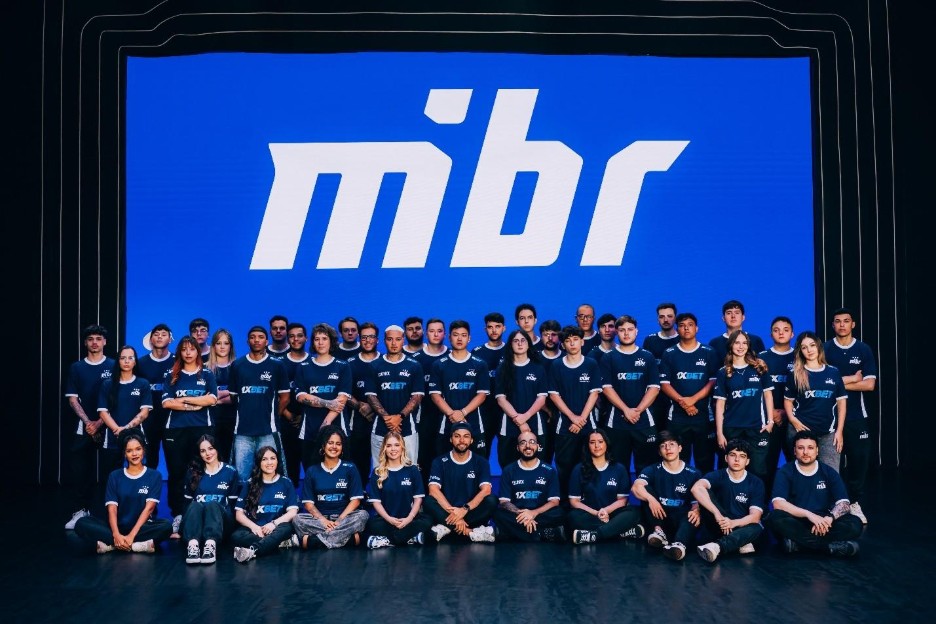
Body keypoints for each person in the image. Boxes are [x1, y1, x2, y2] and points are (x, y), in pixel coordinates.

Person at [767, 431, 862, 556]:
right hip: (797, 521)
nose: (805, 452)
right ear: (794, 451)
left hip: (824, 522)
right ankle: (829, 547)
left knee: (855, 523)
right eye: (801, 448)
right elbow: (778, 504)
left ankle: (799, 545)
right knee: (775, 518)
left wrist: (830, 518)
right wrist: (808, 515)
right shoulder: (785, 471)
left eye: (810, 448)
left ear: (817, 451)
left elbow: (844, 503)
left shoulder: (829, 472)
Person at [74, 432, 172, 554]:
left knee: (166, 526)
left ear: (143, 450)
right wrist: (116, 534)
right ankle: (136, 546)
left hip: (141, 528)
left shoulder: (154, 475)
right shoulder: (115, 476)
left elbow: (149, 509)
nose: (134, 454)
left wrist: (131, 535)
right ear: (125, 454)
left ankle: (112, 546)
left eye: (138, 449)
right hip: (116, 527)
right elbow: (112, 509)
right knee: (81, 523)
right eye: (129, 451)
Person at [823, 307, 878, 524]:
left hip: (856, 416)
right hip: (830, 417)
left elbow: (870, 384)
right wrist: (853, 379)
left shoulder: (863, 349)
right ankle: (833, 503)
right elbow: (820, 381)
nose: (842, 325)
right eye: (838, 321)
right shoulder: (825, 349)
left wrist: (837, 383)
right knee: (830, 465)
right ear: (833, 325)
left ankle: (853, 502)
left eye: (846, 321)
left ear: (853, 324)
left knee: (858, 462)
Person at [161, 335, 219, 537]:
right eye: (184, 349)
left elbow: (212, 399)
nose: (188, 353)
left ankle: (200, 514)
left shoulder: (207, 374)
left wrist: (184, 400)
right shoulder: (171, 375)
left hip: (202, 428)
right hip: (175, 430)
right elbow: (167, 403)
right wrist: (195, 403)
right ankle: (178, 515)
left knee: (201, 472)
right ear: (179, 352)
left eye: (192, 349)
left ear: (197, 351)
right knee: (177, 473)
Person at [64, 324, 115, 529]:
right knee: (81, 471)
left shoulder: (113, 365)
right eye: (91, 339)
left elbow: (116, 398)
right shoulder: (77, 367)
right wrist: (88, 423)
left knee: (110, 472)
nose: (95, 342)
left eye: (98, 338)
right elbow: (72, 399)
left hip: (109, 425)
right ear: (85, 343)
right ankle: (80, 511)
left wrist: (100, 422)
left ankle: (109, 514)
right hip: (84, 426)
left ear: (105, 342)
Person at [599, 315, 661, 475]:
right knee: (617, 467)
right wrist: (626, 410)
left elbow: (654, 388)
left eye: (630, 329)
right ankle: (622, 493)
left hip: (644, 421)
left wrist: (638, 410)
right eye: (622, 330)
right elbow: (606, 388)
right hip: (616, 422)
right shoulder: (609, 357)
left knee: (647, 468)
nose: (626, 333)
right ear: (616, 332)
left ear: (636, 331)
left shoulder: (647, 356)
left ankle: (644, 493)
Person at [228, 326, 290, 484]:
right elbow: (234, 397)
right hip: (242, 432)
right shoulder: (238, 365)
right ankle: (242, 501)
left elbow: (285, 398)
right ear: (247, 341)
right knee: (241, 477)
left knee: (274, 474)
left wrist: (272, 416)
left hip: (268, 431)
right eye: (253, 337)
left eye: (260, 337)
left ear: (266, 341)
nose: (256, 340)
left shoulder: (277, 365)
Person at [659, 312, 719, 474]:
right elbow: (664, 384)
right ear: (677, 329)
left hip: (703, 416)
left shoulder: (709, 352)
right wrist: (684, 402)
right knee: (679, 461)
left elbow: (713, 381)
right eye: (682, 325)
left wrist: (693, 399)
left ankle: (704, 491)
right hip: (677, 418)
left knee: (705, 461)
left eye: (690, 325)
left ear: (697, 328)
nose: (686, 328)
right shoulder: (669, 353)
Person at [548, 326, 603, 501]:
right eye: (568, 340)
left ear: (582, 342)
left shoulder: (591, 364)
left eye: (575, 339)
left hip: (588, 425)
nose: (572, 343)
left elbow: (594, 393)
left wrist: (582, 419)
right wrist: (572, 418)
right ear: (563, 345)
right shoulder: (556, 365)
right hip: (564, 426)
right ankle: (566, 505)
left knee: (589, 465)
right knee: (565, 467)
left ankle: (590, 502)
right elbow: (554, 395)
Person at [292, 426, 369, 549]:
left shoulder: (350, 468)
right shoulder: (312, 471)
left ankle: (315, 542)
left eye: (338, 444)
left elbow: (356, 501)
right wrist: (323, 521)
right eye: (330, 443)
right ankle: (348, 539)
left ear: (342, 447)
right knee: (297, 519)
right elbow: (308, 504)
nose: (334, 447)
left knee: (362, 515)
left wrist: (339, 521)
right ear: (323, 446)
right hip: (320, 520)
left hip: (345, 517)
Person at [712, 330, 774, 481]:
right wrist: (720, 433)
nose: (741, 346)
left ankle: (759, 498)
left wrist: (770, 421)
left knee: (758, 471)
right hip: (732, 428)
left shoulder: (759, 368)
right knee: (730, 471)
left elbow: (768, 395)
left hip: (757, 428)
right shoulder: (723, 372)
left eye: (744, 343)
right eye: (737, 343)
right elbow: (720, 404)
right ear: (730, 345)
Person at [631, 431, 702, 561]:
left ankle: (679, 545)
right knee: (645, 489)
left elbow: (696, 502)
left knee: (693, 514)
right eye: (663, 446)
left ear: (680, 448)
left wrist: (697, 510)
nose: (668, 448)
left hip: (681, 518)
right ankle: (659, 533)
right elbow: (636, 487)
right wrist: (651, 499)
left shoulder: (693, 473)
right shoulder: (652, 469)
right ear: (659, 452)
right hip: (659, 516)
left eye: (672, 444)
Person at [691, 439, 765, 562]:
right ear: (726, 458)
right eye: (733, 455)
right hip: (718, 524)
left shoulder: (756, 482)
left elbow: (755, 516)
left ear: (747, 461)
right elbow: (696, 488)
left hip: (739, 526)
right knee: (705, 490)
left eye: (742, 456)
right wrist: (717, 514)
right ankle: (739, 542)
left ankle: (717, 546)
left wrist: (733, 523)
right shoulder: (717, 475)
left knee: (757, 527)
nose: (737, 459)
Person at [784, 331, 847, 471]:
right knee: (801, 474)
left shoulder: (833, 372)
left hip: (827, 433)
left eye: (812, 345)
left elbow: (842, 403)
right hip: (800, 431)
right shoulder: (795, 374)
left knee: (831, 474)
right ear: (800, 351)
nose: (809, 350)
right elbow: (788, 401)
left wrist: (839, 431)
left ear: (818, 346)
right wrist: (793, 420)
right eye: (804, 347)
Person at [425, 422, 498, 543]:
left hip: (470, 511)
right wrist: (457, 517)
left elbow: (486, 490)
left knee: (492, 500)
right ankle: (471, 532)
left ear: (471, 440)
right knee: (428, 501)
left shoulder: (481, 462)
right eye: (457, 436)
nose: (462, 440)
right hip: (447, 510)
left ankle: (447, 527)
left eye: (466, 436)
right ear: (451, 439)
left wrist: (464, 510)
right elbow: (433, 490)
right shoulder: (439, 461)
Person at [567, 429, 644, 545]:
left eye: (600, 441)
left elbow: (622, 500)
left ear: (606, 444)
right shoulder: (579, 469)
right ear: (587, 446)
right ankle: (619, 531)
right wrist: (596, 513)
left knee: (634, 512)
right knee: (572, 517)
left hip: (613, 514)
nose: (596, 446)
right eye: (592, 442)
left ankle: (594, 535)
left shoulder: (619, 468)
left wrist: (606, 511)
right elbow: (574, 502)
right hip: (590, 514)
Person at [429, 320, 491, 456]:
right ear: (449, 337)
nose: (459, 339)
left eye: (463, 335)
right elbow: (435, 395)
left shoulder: (480, 364)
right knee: (445, 462)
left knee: (477, 462)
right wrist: (452, 414)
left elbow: (482, 395)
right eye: (455, 335)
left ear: (469, 338)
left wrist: (463, 412)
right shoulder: (439, 365)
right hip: (447, 423)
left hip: (474, 423)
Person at [294, 323, 352, 469]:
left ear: (331, 341)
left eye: (324, 338)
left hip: (337, 429)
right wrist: (327, 403)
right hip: (309, 430)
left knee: (339, 471)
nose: (320, 342)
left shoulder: (342, 366)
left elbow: (341, 400)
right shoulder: (303, 367)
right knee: (311, 471)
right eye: (317, 339)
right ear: (312, 342)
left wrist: (325, 427)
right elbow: (301, 396)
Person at [365, 325, 424, 467]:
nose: (393, 343)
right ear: (384, 340)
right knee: (380, 470)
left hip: (407, 428)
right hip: (380, 428)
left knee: (410, 468)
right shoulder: (374, 365)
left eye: (397, 339)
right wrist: (388, 419)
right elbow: (371, 396)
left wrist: (400, 417)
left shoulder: (414, 365)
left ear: (403, 340)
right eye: (390, 339)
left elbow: (417, 396)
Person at [365, 431, 433, 548]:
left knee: (428, 520)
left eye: (397, 445)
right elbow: (376, 502)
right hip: (386, 520)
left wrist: (408, 519)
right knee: (371, 524)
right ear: (384, 449)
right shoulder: (377, 472)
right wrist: (389, 519)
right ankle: (409, 538)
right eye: (389, 446)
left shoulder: (413, 470)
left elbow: (418, 499)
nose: (393, 449)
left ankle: (389, 539)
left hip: (409, 519)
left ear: (402, 448)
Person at [494, 431, 566, 542]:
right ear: (518, 448)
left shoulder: (549, 470)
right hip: (517, 514)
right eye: (523, 443)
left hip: (540, 513)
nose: (528, 446)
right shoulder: (509, 470)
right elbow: (504, 502)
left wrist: (533, 513)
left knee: (559, 513)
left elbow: (554, 502)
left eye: (532, 442)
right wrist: (523, 515)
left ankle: (511, 534)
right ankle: (541, 534)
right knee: (497, 513)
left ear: (538, 446)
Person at [231, 445, 298, 562]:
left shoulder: (286, 482)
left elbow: (293, 512)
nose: (269, 462)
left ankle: (253, 550)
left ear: (277, 461)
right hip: (256, 530)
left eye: (273, 458)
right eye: (264, 459)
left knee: (287, 527)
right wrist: (255, 527)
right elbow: (239, 514)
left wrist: (273, 524)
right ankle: (279, 543)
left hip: (277, 528)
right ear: (259, 462)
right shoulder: (249, 483)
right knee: (236, 536)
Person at [181, 435, 240, 564]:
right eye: (203, 451)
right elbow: (186, 506)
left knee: (212, 504)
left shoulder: (230, 472)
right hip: (198, 524)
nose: (207, 453)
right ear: (199, 454)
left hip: (221, 525)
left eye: (211, 448)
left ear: (217, 449)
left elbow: (233, 506)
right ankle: (193, 546)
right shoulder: (193, 472)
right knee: (195, 505)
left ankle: (210, 546)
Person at [494, 330, 548, 469]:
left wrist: (526, 417)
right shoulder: (503, 369)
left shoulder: (538, 368)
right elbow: (501, 399)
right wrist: (519, 421)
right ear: (510, 345)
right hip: (509, 425)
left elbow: (541, 398)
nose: (519, 344)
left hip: (534, 422)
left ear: (528, 344)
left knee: (537, 465)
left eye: (523, 340)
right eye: (515, 341)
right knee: (508, 464)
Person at [97, 346, 152, 474]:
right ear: (118, 361)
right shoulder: (108, 384)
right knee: (110, 475)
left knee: (138, 474)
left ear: (135, 361)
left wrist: (126, 429)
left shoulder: (143, 384)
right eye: (123, 358)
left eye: (130, 358)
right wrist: (118, 430)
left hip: (136, 438)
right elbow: (103, 412)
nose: (126, 361)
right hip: (112, 438)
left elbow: (144, 412)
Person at [759, 316, 796, 495]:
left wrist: (786, 412)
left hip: (794, 420)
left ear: (792, 334)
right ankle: (763, 504)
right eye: (776, 330)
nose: (781, 333)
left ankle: (795, 501)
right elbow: (757, 389)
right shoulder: (761, 358)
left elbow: (806, 389)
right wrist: (771, 412)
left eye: (785, 330)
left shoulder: (800, 356)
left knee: (796, 462)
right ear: (771, 334)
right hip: (769, 419)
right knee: (766, 465)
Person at [345, 322, 380, 484]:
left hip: (381, 420)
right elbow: (344, 392)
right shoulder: (350, 364)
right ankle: (361, 493)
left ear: (377, 339)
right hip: (357, 421)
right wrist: (360, 406)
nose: (368, 340)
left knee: (383, 458)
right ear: (359, 338)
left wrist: (373, 407)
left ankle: (382, 492)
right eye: (364, 337)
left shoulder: (385, 361)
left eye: (371, 337)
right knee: (359, 461)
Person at [137, 323, 174, 470]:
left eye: (164, 334)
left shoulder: (178, 361)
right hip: (149, 419)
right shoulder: (140, 363)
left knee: (174, 461)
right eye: (156, 334)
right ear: (150, 339)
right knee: (150, 460)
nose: (159, 337)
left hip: (172, 418)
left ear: (170, 339)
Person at [413, 317, 448, 470]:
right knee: (423, 458)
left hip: (446, 416)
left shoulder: (452, 356)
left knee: (445, 457)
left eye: (439, 331)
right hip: (423, 416)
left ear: (445, 334)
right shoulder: (415, 360)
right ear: (426, 334)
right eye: (432, 331)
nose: (436, 334)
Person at [279, 322, 310, 485]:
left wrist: (303, 417)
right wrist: (288, 415)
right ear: (287, 339)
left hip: (309, 422)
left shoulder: (313, 361)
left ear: (306, 338)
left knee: (312, 463)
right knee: (289, 465)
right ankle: (292, 496)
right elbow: (273, 393)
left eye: (299, 336)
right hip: (286, 421)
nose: (296, 339)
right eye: (292, 336)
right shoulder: (279, 363)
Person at [472, 312, 507, 456]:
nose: (494, 330)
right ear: (485, 329)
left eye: (497, 326)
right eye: (490, 327)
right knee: (481, 453)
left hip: (506, 410)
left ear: (504, 328)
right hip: (483, 410)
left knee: (507, 453)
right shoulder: (477, 353)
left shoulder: (511, 351)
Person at [642, 303, 679, 433]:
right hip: (656, 397)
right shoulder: (650, 341)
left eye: (669, 316)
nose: (666, 320)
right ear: (658, 319)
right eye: (662, 317)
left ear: (675, 318)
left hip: (677, 395)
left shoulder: (682, 339)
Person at [207, 329, 236, 462]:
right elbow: (205, 396)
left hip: (233, 419)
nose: (222, 347)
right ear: (213, 346)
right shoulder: (205, 369)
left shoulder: (238, 367)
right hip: (211, 419)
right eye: (218, 343)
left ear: (231, 346)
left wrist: (216, 399)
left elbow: (239, 395)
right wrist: (229, 392)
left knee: (230, 457)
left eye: (226, 343)